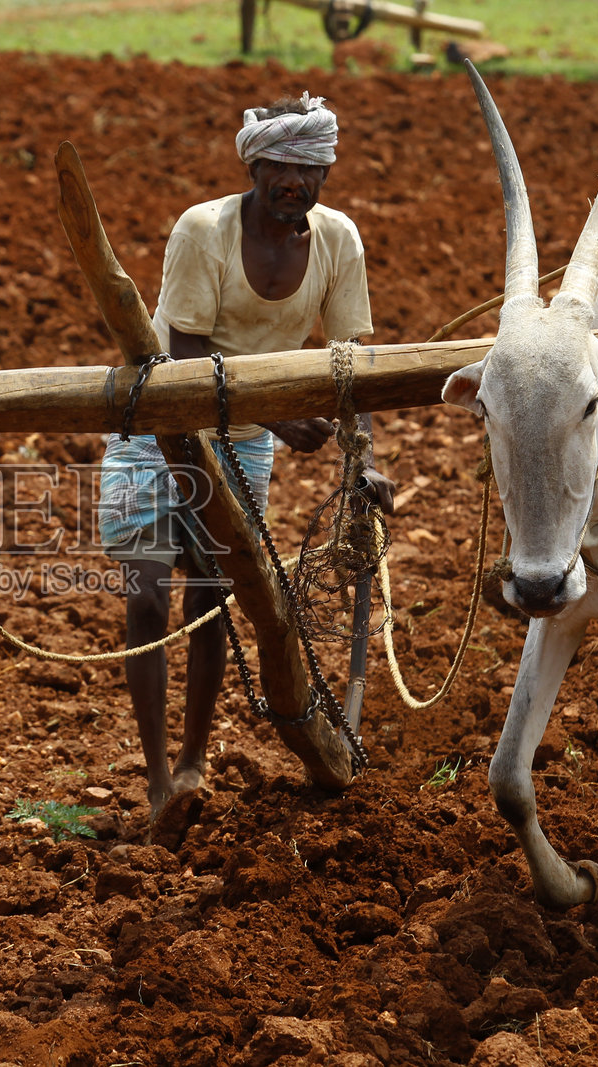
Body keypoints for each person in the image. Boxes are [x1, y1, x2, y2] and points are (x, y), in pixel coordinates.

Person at [98, 92, 392, 825]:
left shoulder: (338, 242)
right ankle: (158, 773)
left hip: (249, 437)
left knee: (209, 598)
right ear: (254, 165)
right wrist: (275, 413)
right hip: (158, 421)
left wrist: (361, 461)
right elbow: (187, 355)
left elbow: (350, 365)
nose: (295, 181)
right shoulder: (204, 231)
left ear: (324, 173)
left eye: (309, 169)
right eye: (280, 167)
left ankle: (195, 762)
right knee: (144, 599)